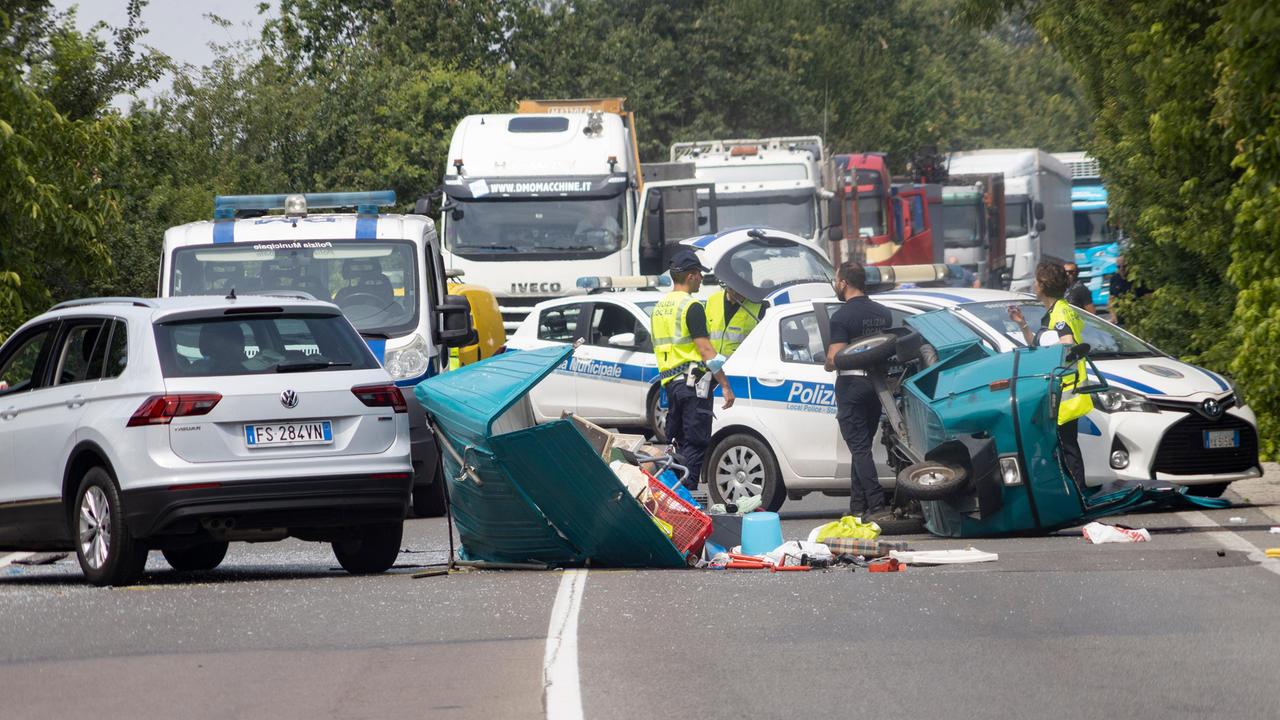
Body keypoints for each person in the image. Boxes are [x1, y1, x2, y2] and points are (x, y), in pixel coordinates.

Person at [650, 249, 734, 490]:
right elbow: (706, 351)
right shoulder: (692, 306)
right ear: (690, 277)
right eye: (699, 274)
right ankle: (688, 500)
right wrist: (726, 385)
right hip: (693, 384)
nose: (701, 279)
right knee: (696, 443)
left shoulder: (659, 307)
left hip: (670, 385)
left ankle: (674, 498)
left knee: (676, 443)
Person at [1007, 261, 1094, 490]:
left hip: (1066, 390)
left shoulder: (1062, 312)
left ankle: (1078, 495)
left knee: (1067, 447)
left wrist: (1052, 345)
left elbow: (1066, 343)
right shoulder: (1055, 311)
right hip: (1063, 389)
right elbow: (1039, 343)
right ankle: (1072, 494)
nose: (1034, 285)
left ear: (1043, 285)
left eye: (1036, 281)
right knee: (1063, 446)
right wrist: (1023, 324)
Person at [824, 261, 893, 522]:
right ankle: (857, 506)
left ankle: (875, 505)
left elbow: (835, 357)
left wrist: (827, 362)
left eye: (836, 280)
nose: (835, 285)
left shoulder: (841, 317)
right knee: (861, 447)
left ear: (844, 283)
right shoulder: (883, 313)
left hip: (851, 386)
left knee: (860, 448)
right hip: (877, 386)